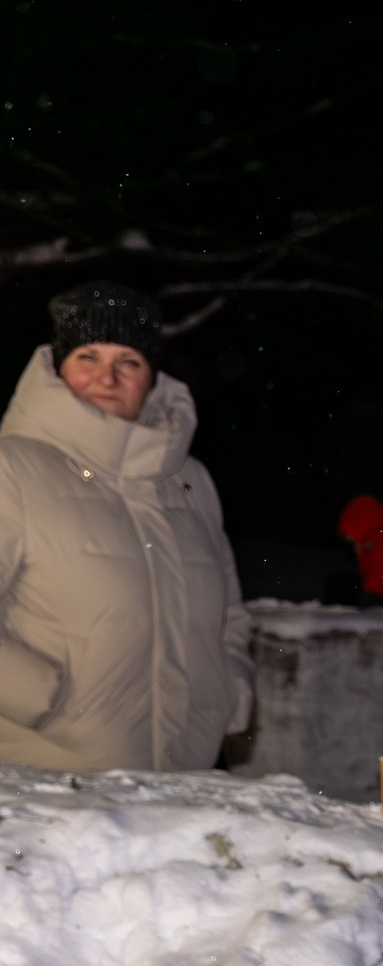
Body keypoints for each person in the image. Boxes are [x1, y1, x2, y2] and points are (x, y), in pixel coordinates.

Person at [0, 282, 252, 770]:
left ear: (152, 380)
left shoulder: (190, 479)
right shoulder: (12, 468)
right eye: (88, 357)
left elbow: (231, 618)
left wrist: (231, 694)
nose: (108, 377)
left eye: (129, 362)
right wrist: (40, 698)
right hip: (50, 783)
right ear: (58, 369)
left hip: (181, 782)